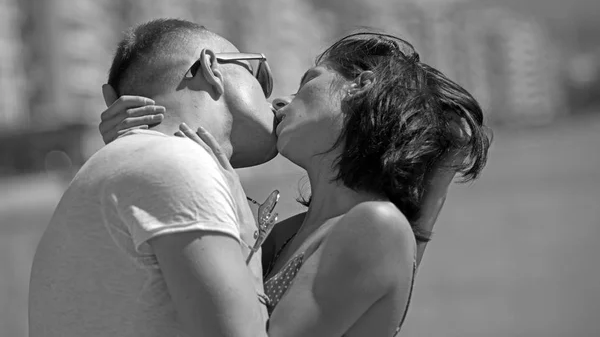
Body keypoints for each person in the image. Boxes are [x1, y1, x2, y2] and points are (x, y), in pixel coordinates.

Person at [100, 30, 491, 336]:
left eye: (308, 81)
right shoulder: (281, 235)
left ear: (361, 85)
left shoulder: (378, 225)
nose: (281, 102)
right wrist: (137, 144)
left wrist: (238, 210)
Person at [29, 19, 278, 337]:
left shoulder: (112, 168)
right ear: (212, 67)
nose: (275, 99)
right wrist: (248, 243)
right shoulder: (178, 164)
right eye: (260, 75)